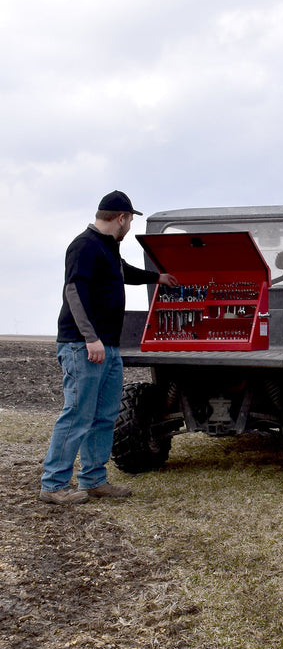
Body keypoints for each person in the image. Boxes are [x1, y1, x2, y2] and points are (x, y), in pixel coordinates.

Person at [39, 190, 178, 506]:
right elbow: (74, 291)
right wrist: (90, 338)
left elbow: (124, 273)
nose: (129, 226)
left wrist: (158, 278)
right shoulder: (84, 246)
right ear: (122, 218)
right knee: (77, 415)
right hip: (83, 346)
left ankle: (93, 480)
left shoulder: (108, 249)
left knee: (104, 416)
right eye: (130, 220)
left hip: (109, 348)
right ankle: (54, 484)